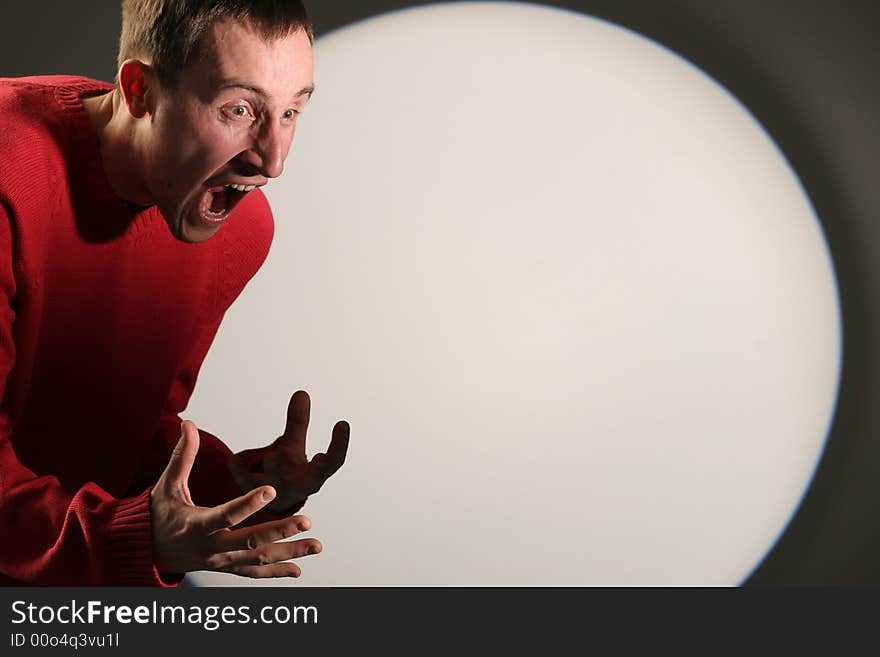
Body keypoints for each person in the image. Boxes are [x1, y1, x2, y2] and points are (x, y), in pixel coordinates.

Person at [0, 0, 349, 586]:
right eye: (239, 109)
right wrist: (140, 540)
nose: (273, 159)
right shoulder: (11, 184)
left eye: (290, 112)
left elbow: (128, 426)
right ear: (139, 91)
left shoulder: (240, 232)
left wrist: (231, 486)